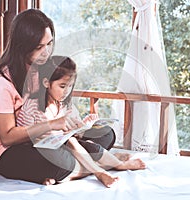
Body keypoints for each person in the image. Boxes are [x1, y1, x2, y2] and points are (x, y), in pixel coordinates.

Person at [0, 9, 118, 186]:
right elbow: (7, 137)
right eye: (39, 47)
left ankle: (72, 168)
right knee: (60, 162)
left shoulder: (43, 69)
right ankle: (93, 165)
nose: (46, 52)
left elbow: (56, 103)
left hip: (45, 140)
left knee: (106, 135)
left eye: (49, 44)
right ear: (22, 46)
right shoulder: (2, 80)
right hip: (8, 150)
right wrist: (54, 124)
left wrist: (75, 124)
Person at [17, 55, 146, 187]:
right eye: (62, 86)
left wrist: (83, 126)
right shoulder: (31, 107)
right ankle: (107, 167)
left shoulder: (65, 105)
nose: (66, 92)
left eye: (70, 86)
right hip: (47, 155)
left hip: (72, 150)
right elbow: (23, 140)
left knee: (105, 133)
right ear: (46, 83)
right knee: (71, 144)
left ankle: (71, 173)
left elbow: (77, 133)